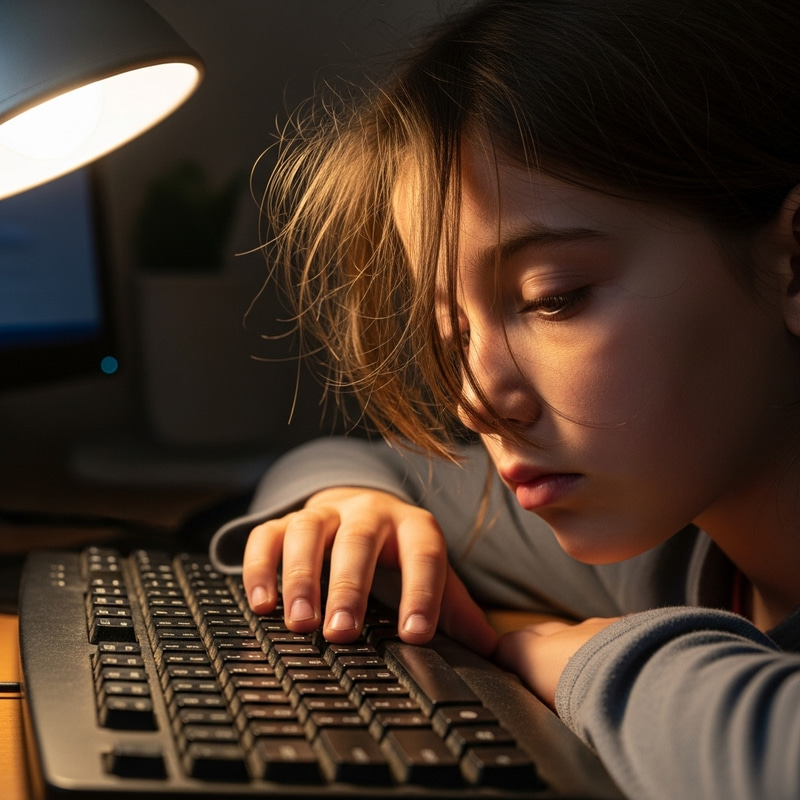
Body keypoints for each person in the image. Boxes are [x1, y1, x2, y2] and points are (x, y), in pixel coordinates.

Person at [209, 1, 800, 797]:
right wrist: (348, 505)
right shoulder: (678, 545)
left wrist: (595, 660)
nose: (477, 400)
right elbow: (378, 467)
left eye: (553, 297)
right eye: (451, 336)